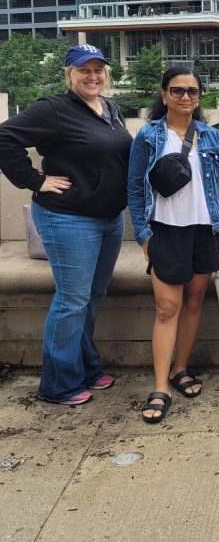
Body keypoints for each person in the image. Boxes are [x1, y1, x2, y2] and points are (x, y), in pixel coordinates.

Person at [0, 44, 132, 405]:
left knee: (92, 296)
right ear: (68, 74)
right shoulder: (53, 109)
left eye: (98, 69)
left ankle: (86, 368)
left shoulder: (111, 108)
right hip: (68, 218)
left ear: (106, 73)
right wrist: (35, 180)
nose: (92, 76)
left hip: (109, 218)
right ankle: (57, 384)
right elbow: (5, 137)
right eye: (83, 70)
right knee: (72, 300)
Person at [127, 66, 219, 423]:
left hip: (204, 231)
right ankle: (160, 386)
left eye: (192, 91)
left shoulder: (211, 137)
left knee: (193, 303)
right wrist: (143, 235)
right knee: (166, 307)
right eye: (177, 91)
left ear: (199, 96)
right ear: (164, 96)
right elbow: (134, 188)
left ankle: (180, 368)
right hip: (165, 230)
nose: (185, 97)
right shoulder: (148, 136)